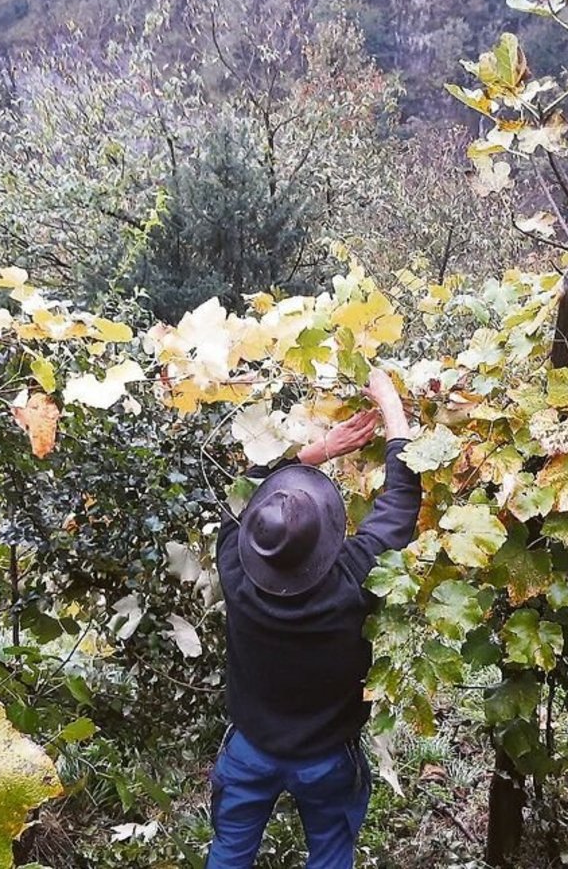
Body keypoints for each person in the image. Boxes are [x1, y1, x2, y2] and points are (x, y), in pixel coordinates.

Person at [208, 368, 420, 868]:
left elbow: (246, 491)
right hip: (326, 756)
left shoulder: (235, 565)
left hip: (251, 748)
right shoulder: (351, 580)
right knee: (329, 855)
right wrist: (390, 405)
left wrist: (318, 448)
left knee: (229, 855)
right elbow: (402, 499)